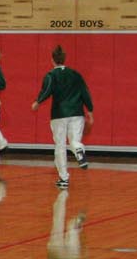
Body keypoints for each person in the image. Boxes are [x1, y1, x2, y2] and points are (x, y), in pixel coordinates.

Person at [30, 44, 94, 188]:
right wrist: (89, 110)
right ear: (64, 59)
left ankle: (64, 178)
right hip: (77, 113)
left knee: (60, 145)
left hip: (59, 114)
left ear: (52, 60)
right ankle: (78, 149)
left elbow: (46, 90)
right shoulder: (76, 74)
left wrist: (37, 102)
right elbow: (85, 92)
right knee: (74, 141)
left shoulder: (51, 75)